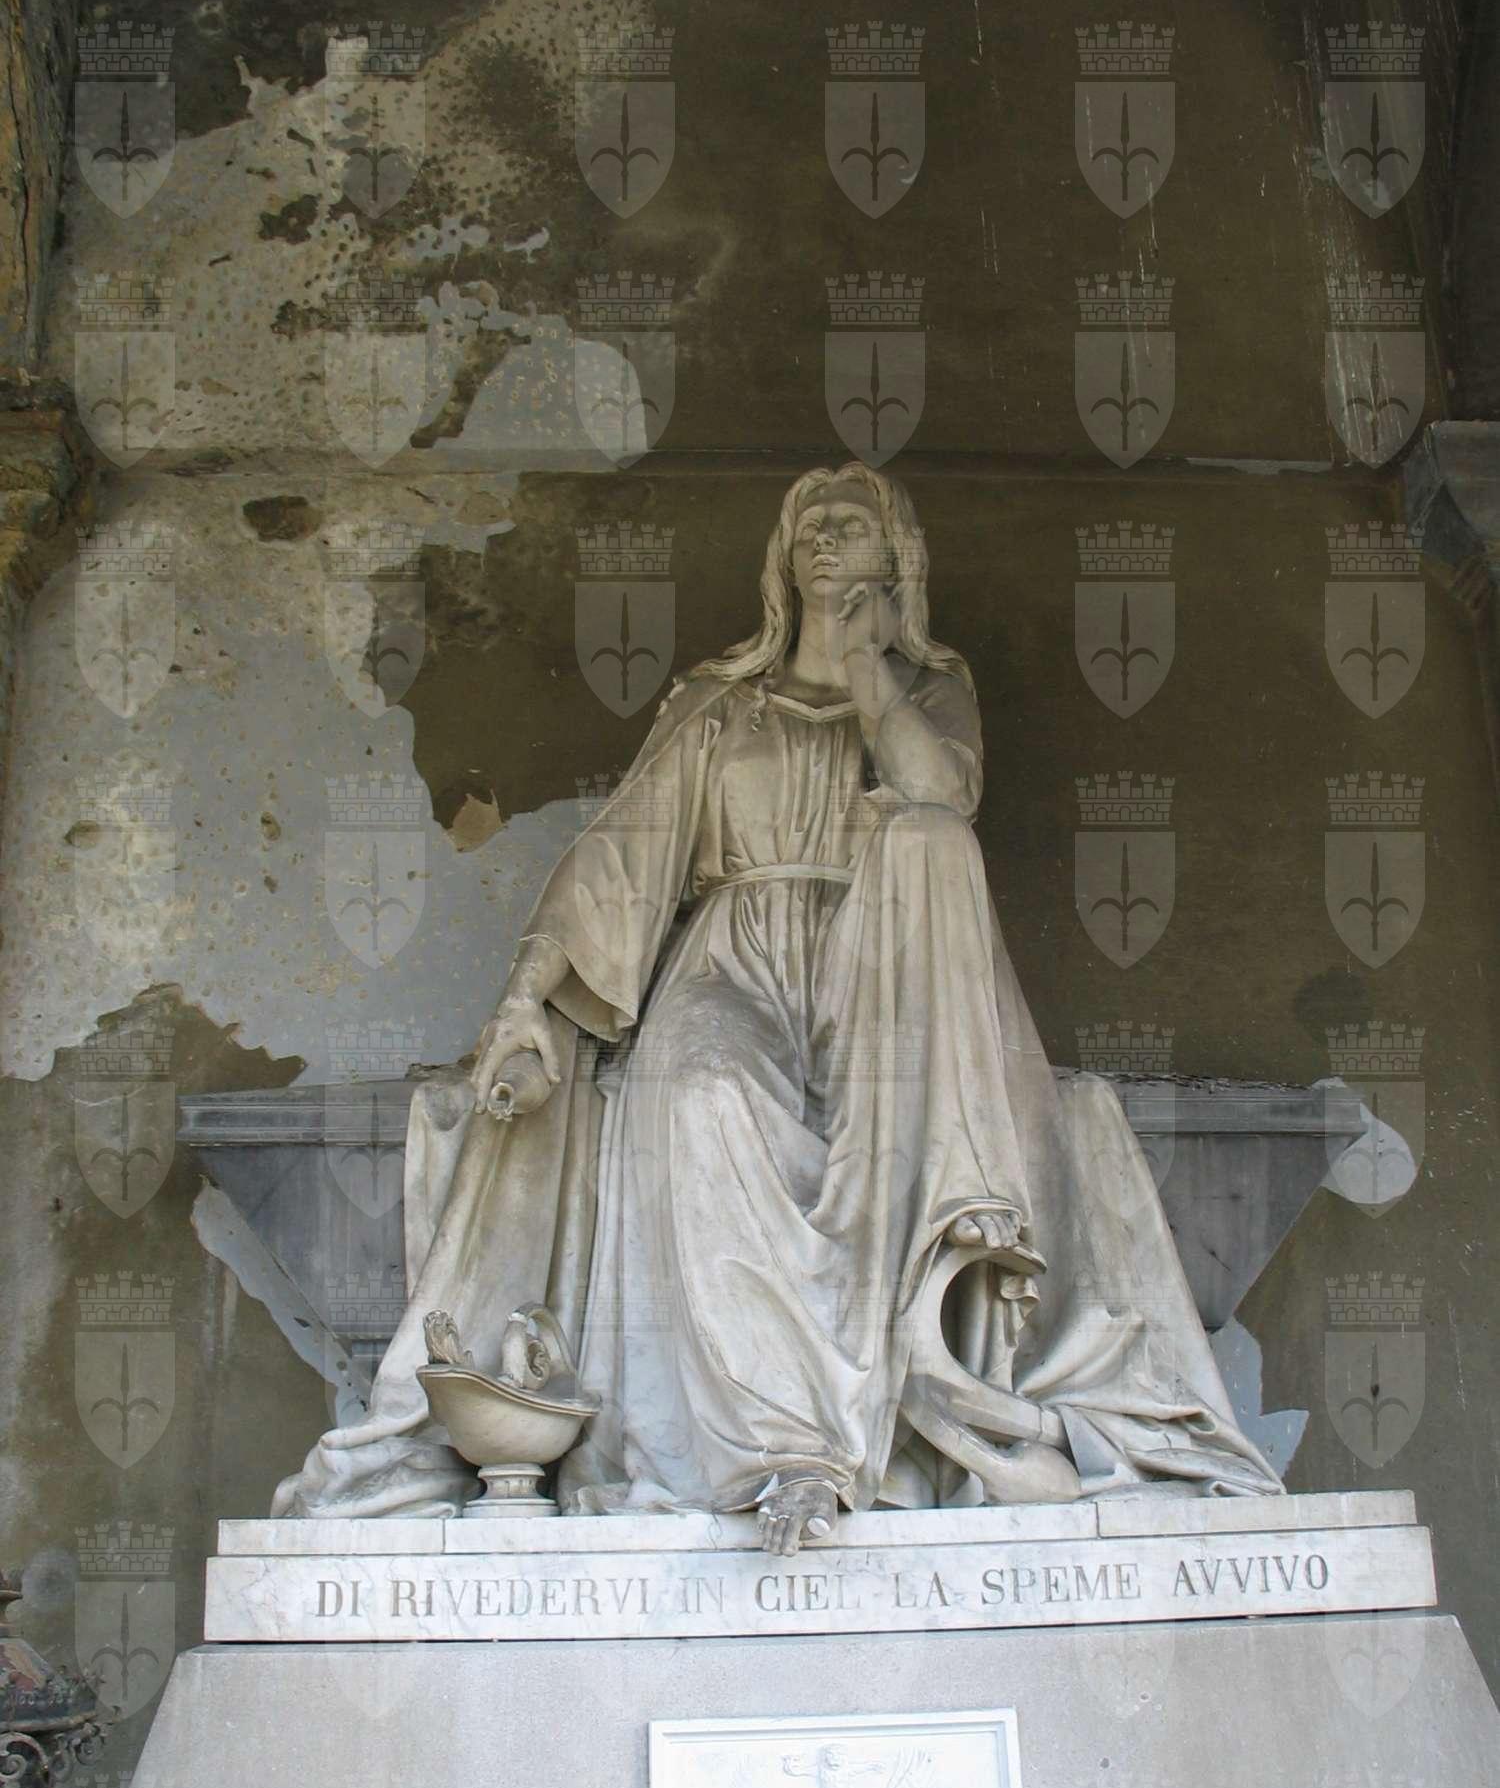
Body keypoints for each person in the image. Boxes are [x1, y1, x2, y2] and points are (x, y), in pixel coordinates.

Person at [274, 463, 1281, 1546]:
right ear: (779, 561)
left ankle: (927, 1370)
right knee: (704, 1092)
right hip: (734, 959)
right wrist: (524, 998)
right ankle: (785, 1447)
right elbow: (616, 858)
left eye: (852, 521)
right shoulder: (720, 706)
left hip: (887, 963)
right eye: (808, 522)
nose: (824, 534)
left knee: (930, 844)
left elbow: (940, 793)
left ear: (897, 556)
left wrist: (867, 660)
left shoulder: (931, 691)